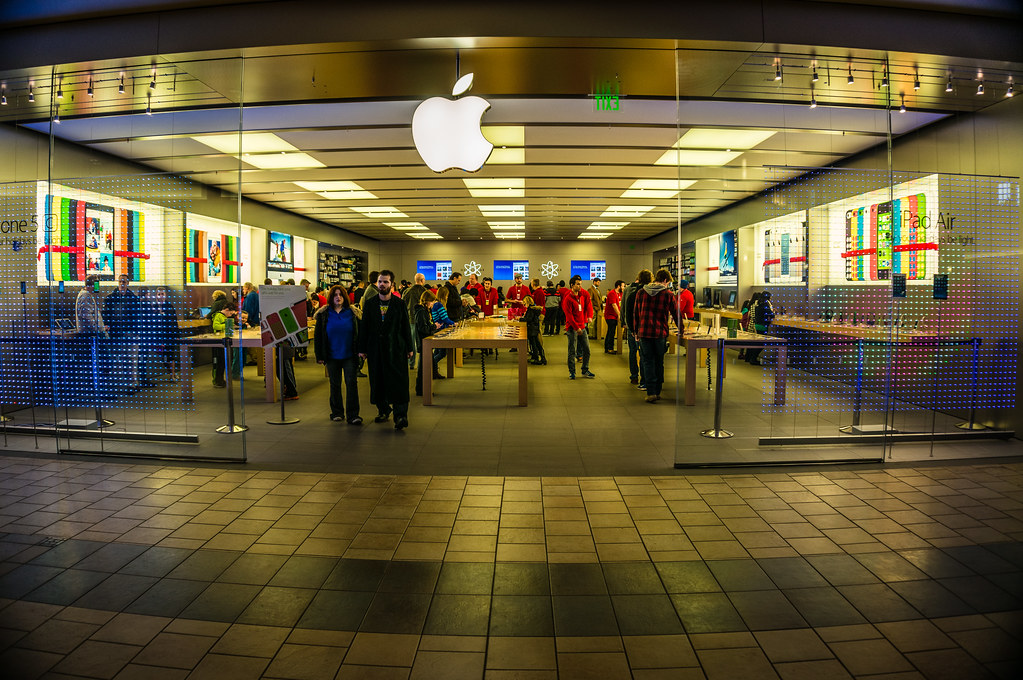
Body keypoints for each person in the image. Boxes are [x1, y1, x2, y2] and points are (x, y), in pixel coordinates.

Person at [357, 270, 414, 430]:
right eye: (380, 282)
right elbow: (364, 327)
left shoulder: (399, 304)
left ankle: (400, 415)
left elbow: (405, 327)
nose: (382, 284)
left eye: (386, 282)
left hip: (396, 348)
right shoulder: (370, 304)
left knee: (399, 382)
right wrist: (362, 348)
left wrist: (410, 347)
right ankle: (383, 410)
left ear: (392, 284)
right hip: (376, 349)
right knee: (378, 380)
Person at [629, 268, 680, 403]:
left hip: (644, 333)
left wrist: (635, 331)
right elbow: (676, 314)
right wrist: (682, 329)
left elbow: (636, 313)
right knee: (659, 361)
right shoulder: (668, 295)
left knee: (647, 361)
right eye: (668, 282)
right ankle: (657, 391)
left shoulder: (641, 292)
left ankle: (650, 392)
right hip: (660, 333)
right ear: (664, 280)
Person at [314, 285, 362, 424]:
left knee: (351, 383)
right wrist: (319, 355)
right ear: (331, 297)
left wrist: (361, 350)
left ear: (345, 297)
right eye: (335, 295)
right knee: (334, 384)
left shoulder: (353, 313)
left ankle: (353, 415)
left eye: (340, 294)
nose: (338, 297)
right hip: (331, 355)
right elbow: (318, 336)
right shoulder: (324, 314)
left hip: (349, 355)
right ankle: (337, 412)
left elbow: (359, 334)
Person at [104, 273, 141, 389]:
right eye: (120, 281)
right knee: (117, 360)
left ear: (128, 283)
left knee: (131, 360)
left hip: (130, 333)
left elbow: (137, 317)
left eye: (124, 282)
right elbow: (105, 315)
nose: (121, 284)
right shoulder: (110, 298)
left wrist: (136, 332)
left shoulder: (133, 299)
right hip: (116, 334)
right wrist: (107, 325)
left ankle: (132, 384)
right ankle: (120, 384)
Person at [622, 270, 652, 388]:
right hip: (643, 328)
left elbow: (625, 308)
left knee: (632, 352)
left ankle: (634, 376)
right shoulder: (647, 293)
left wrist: (626, 323)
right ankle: (644, 379)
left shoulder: (629, 291)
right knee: (643, 353)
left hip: (632, 327)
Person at [562, 275, 594, 379]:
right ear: (572, 285)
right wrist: (576, 328)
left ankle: (585, 369)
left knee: (587, 350)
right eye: (578, 284)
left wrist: (589, 317)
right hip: (572, 328)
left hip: (582, 327)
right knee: (572, 351)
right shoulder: (567, 298)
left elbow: (588, 306)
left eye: (580, 284)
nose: (580, 286)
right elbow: (569, 316)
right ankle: (572, 372)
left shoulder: (582, 296)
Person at [210, 301, 241, 388]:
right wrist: (228, 326)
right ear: (226, 310)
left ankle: (221, 380)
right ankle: (217, 380)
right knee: (220, 362)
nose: (230, 315)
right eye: (230, 313)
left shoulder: (223, 316)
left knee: (224, 362)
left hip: (224, 341)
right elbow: (215, 327)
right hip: (219, 341)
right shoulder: (218, 315)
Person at [429, 288, 455, 376]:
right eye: (447, 295)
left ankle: (434, 371)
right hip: (440, 330)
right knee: (442, 352)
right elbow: (444, 318)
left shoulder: (436, 304)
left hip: (438, 330)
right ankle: (431, 367)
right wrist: (453, 323)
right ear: (444, 295)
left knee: (437, 351)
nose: (447, 297)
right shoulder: (439, 305)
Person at [745, 290, 775, 365]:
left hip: (757, 325)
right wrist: (773, 312)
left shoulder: (758, 304)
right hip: (762, 326)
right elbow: (771, 314)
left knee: (758, 342)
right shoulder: (765, 304)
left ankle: (752, 358)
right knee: (762, 343)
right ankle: (753, 358)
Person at [405, 273, 428, 369]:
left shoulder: (408, 291)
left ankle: (411, 363)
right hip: (422, 319)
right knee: (423, 342)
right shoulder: (425, 292)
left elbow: (403, 304)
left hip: (411, 319)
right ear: (422, 280)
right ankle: (423, 363)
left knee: (412, 342)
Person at [520, 296, 546, 365]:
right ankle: (541, 358)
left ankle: (536, 358)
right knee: (537, 344)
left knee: (534, 344)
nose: (524, 305)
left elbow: (529, 319)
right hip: (535, 328)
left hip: (531, 329)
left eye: (524, 304)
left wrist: (520, 319)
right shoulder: (534, 309)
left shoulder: (530, 310)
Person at [603, 279, 624, 354]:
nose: (624, 287)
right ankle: (609, 348)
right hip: (610, 316)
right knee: (611, 332)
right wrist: (619, 315)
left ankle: (608, 347)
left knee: (611, 331)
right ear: (618, 286)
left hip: (615, 315)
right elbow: (614, 305)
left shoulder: (620, 294)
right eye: (623, 286)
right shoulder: (612, 293)